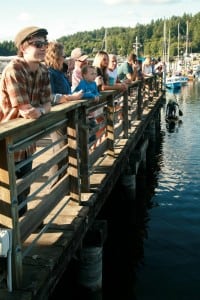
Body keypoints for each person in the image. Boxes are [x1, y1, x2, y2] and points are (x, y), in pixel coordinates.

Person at [0, 26, 51, 217]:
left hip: (27, 143)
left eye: (45, 44)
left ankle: (21, 234)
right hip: (7, 144)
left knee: (23, 190)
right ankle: (13, 242)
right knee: (7, 198)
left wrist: (39, 110)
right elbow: (25, 110)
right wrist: (39, 110)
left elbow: (46, 105)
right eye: (37, 44)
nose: (43, 48)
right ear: (23, 47)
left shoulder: (43, 70)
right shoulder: (14, 69)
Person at [45, 41, 83, 187]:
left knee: (68, 150)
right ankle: (52, 186)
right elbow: (51, 96)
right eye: (63, 54)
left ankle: (65, 185)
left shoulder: (60, 72)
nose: (65, 57)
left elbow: (65, 92)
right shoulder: (50, 73)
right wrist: (71, 97)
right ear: (56, 55)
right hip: (57, 118)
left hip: (67, 116)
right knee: (60, 151)